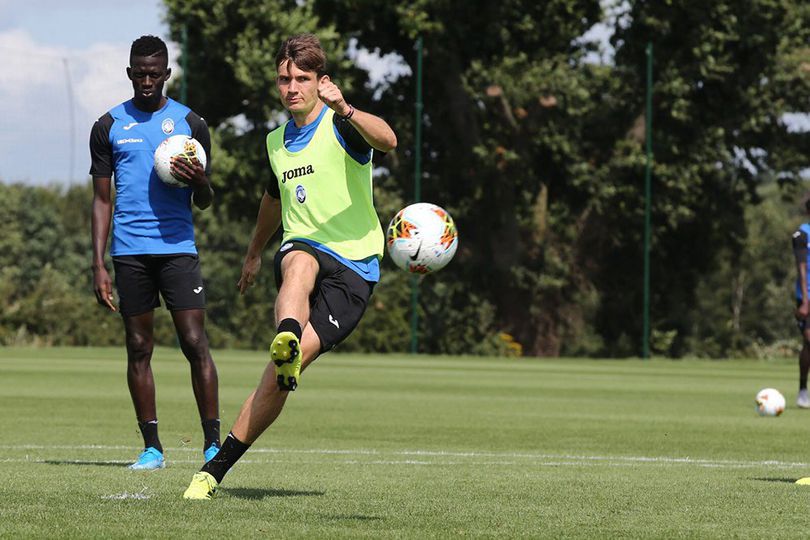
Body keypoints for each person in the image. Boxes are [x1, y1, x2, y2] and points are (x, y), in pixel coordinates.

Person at [182, 33, 396, 499]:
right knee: (298, 259)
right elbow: (273, 199)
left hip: (356, 267)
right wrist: (255, 251)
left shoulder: (341, 125)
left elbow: (390, 140)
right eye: (285, 79)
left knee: (279, 378)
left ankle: (289, 350)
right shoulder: (276, 142)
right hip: (304, 249)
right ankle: (212, 473)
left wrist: (349, 109)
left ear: (321, 82)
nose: (292, 87)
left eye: (302, 78)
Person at [90, 35, 221, 470]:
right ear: (130, 73)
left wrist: (201, 181)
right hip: (129, 253)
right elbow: (102, 201)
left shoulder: (191, 125)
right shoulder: (108, 126)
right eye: (139, 73)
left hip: (178, 250)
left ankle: (213, 445)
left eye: (154, 73)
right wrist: (99, 264)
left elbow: (204, 200)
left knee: (195, 342)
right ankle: (152, 448)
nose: (147, 80)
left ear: (167, 74)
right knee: (138, 347)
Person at [792, 199, 810, 409]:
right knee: (808, 340)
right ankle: (803, 389)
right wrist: (805, 301)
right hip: (807, 295)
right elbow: (802, 269)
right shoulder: (802, 235)